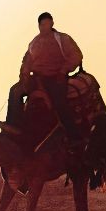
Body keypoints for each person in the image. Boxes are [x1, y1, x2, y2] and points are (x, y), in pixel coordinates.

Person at [17, 12, 85, 142]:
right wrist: (24, 75)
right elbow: (27, 61)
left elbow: (76, 56)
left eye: (47, 24)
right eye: (42, 24)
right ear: (39, 25)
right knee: (16, 93)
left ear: (52, 24)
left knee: (59, 104)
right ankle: (15, 129)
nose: (44, 27)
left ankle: (74, 137)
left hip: (56, 77)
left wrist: (63, 70)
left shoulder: (62, 39)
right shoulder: (34, 43)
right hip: (38, 78)